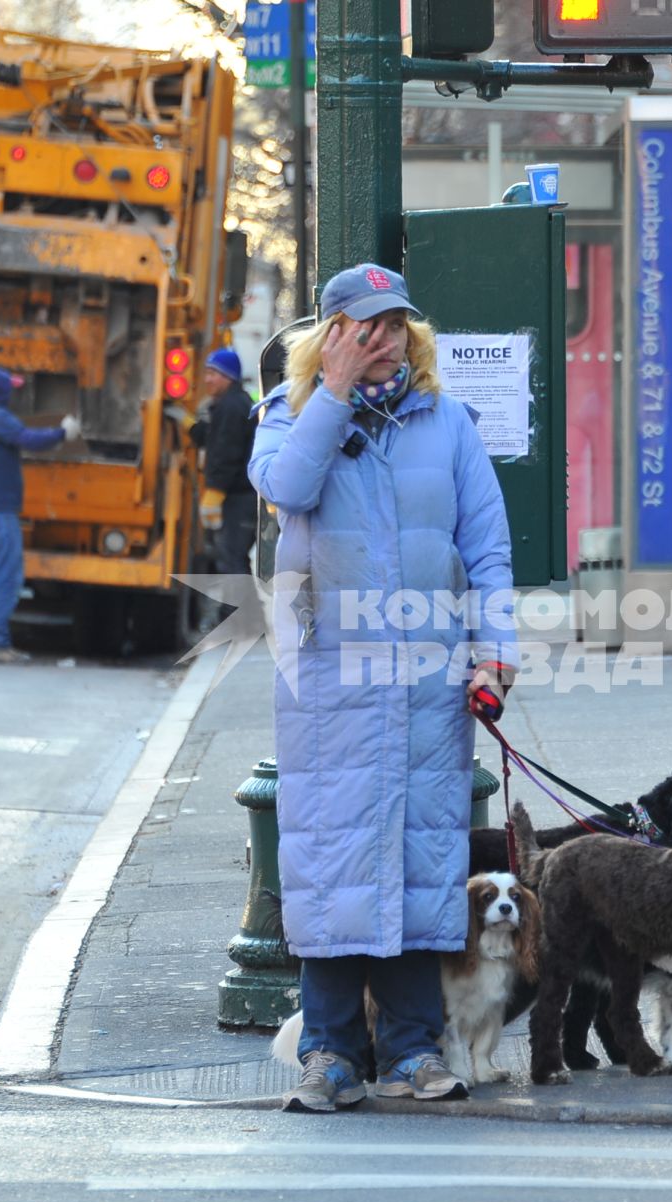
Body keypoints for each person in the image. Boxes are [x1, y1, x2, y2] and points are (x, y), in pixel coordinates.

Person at [249, 262, 518, 1113]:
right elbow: (285, 490)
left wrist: (494, 651)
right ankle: (330, 1052)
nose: (384, 338)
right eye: (365, 325)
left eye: (396, 322)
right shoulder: (287, 417)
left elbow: (488, 546)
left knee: (417, 860)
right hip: (331, 685)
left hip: (429, 683)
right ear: (329, 335)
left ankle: (410, 1050)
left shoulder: (449, 424)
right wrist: (328, 394)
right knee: (331, 861)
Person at [0, 365, 77, 663]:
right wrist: (64, 432)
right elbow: (31, 441)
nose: (13, 392)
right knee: (4, 580)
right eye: (9, 387)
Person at [196, 347, 257, 575]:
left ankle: (240, 611)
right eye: (207, 373)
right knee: (232, 559)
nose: (207, 379)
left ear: (228, 377)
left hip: (238, 499)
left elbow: (227, 452)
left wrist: (215, 491)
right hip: (242, 496)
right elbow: (217, 438)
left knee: (232, 560)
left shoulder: (230, 407)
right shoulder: (234, 403)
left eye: (213, 374)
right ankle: (239, 611)